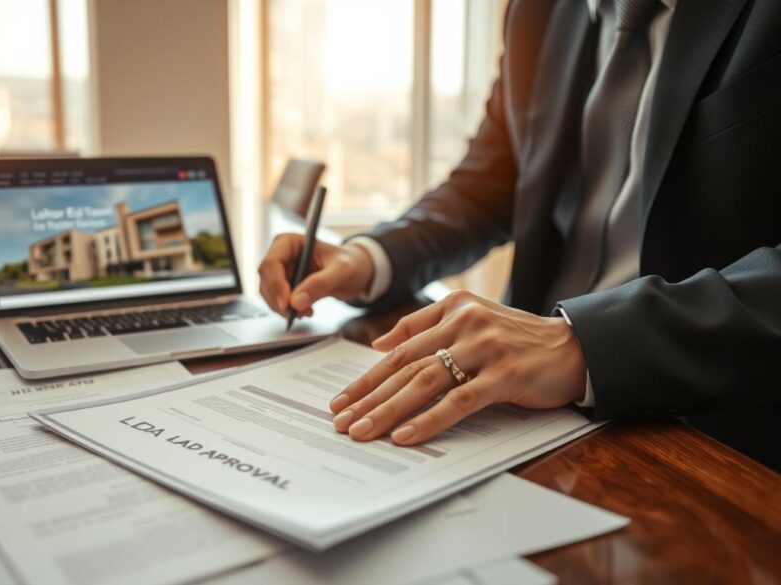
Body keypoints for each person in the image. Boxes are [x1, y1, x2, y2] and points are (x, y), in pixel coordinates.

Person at [258, 0, 781, 469]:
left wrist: (585, 342)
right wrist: (372, 258)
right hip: (522, 405)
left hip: (717, 432)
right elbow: (492, 181)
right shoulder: (540, 10)